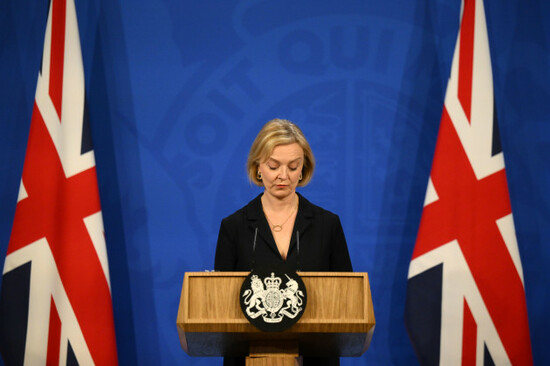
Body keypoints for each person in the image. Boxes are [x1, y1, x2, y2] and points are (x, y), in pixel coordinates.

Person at [214, 119, 352, 366]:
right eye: (274, 165)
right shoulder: (233, 227)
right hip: (247, 358)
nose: (283, 176)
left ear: (303, 169)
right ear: (258, 167)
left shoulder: (327, 225)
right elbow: (221, 306)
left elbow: (347, 299)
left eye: (293, 166)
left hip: (316, 359)